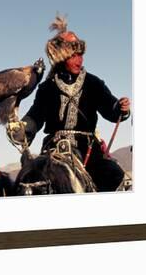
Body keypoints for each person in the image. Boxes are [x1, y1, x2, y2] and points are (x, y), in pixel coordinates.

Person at [19, 15, 131, 192]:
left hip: (88, 152)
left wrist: (120, 108)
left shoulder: (93, 83)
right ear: (61, 58)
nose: (79, 60)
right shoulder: (47, 88)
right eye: (73, 56)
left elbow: (111, 109)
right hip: (53, 150)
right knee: (28, 181)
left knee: (117, 178)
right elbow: (36, 115)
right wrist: (23, 128)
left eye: (81, 55)